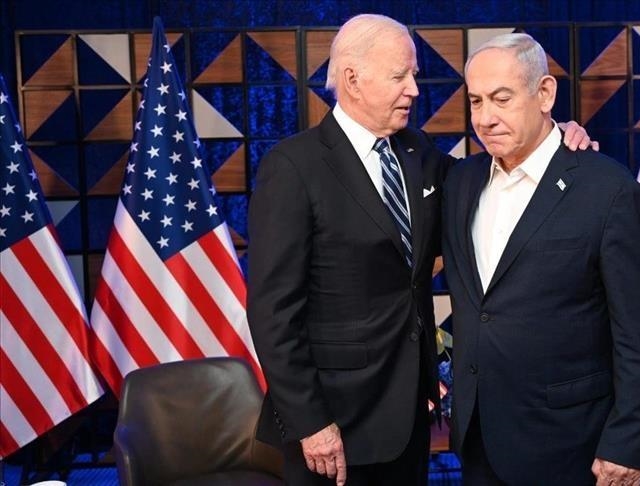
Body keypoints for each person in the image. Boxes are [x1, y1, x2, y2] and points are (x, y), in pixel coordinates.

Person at [247, 15, 594, 486]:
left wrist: (554, 135)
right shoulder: (292, 167)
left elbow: (488, 182)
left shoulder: (417, 152)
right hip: (333, 425)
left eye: (412, 74)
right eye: (400, 76)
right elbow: (272, 313)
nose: (414, 89)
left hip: (409, 418)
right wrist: (310, 423)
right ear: (352, 79)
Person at [441, 33, 640, 486]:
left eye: (502, 98)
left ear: (545, 94)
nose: (485, 118)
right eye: (476, 101)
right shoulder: (460, 182)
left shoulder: (609, 191)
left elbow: (638, 334)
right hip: (478, 437)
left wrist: (627, 441)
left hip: (569, 443)